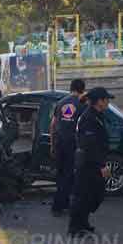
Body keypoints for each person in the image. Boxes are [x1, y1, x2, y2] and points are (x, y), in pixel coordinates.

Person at [69, 87, 113, 236]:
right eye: (106, 99)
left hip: (94, 161)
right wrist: (101, 165)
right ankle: (74, 228)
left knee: (94, 195)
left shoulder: (98, 115)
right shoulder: (88, 117)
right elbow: (90, 145)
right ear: (99, 101)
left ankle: (83, 222)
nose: (108, 102)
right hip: (87, 163)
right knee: (82, 196)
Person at [49, 79, 86, 216]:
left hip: (59, 143)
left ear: (71, 88)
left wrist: (52, 145)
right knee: (69, 175)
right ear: (82, 90)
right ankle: (57, 206)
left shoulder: (60, 103)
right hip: (72, 144)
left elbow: (52, 125)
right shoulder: (82, 105)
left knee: (61, 175)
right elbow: (84, 126)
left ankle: (63, 204)